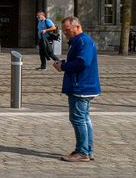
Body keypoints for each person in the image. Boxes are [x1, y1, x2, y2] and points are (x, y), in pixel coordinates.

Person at [53, 16, 100, 162]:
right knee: (84, 119)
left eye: (67, 30)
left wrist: (63, 66)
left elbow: (82, 62)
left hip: (81, 86)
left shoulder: (83, 41)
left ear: (77, 27)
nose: (65, 33)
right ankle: (87, 150)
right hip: (83, 85)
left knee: (78, 119)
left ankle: (82, 152)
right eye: (64, 31)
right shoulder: (79, 41)